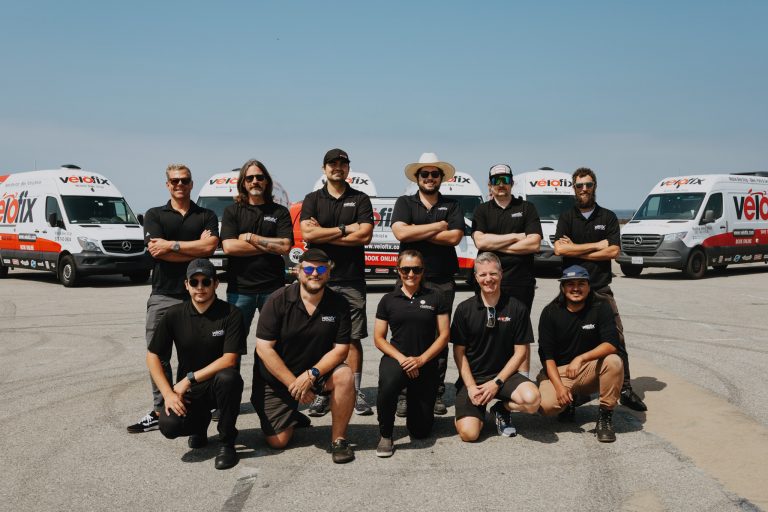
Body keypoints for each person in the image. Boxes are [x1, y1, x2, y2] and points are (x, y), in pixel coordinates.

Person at [127, 164, 219, 434]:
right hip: (164, 295)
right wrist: (194, 250)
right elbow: (157, 252)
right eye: (175, 181)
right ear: (167, 185)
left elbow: (210, 248)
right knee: (159, 354)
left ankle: (204, 404)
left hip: (199, 296)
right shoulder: (155, 215)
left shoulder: (206, 215)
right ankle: (161, 408)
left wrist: (172, 245)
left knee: (203, 353)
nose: (180, 185)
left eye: (185, 181)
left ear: (192, 184)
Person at [553, 167, 647, 412]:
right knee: (568, 340)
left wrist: (576, 247)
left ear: (595, 186)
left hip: (600, 288)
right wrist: (596, 246)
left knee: (616, 338)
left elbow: (613, 252)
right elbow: (560, 250)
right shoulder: (566, 217)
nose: (584, 189)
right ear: (573, 188)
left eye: (588, 185)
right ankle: (571, 391)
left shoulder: (607, 217)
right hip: (571, 289)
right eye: (579, 185)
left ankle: (625, 388)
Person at [252, 248, 356, 464]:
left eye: (321, 269)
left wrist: (311, 375)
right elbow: (264, 348)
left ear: (329, 273)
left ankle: (339, 440)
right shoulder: (278, 299)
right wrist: (294, 384)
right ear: (299, 271)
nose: (314, 273)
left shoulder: (339, 303)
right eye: (308, 268)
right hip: (278, 379)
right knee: (278, 441)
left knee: (345, 374)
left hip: (316, 372)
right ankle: (292, 414)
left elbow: (341, 350)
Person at [147, 258, 246, 469]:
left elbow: (230, 359)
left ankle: (227, 443)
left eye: (206, 282)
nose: (200, 287)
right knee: (169, 426)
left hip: (217, 385)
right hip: (189, 391)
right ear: (186, 285)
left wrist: (189, 379)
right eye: (194, 282)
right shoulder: (174, 315)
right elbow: (153, 356)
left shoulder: (231, 314)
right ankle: (198, 426)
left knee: (229, 378)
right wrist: (168, 394)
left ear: (216, 283)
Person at [300, 148, 375, 417]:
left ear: (348, 169)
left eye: (343, 164)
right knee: (321, 336)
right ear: (324, 169)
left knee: (353, 337)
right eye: (333, 164)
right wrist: (345, 229)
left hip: (352, 277)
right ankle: (324, 390)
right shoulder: (312, 199)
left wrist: (324, 234)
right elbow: (307, 232)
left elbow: (365, 235)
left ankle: (354, 392)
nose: (338, 168)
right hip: (319, 278)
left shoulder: (360, 198)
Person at [391, 152, 464, 416]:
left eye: (435, 174)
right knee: (404, 336)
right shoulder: (404, 202)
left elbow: (454, 237)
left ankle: (434, 394)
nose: (430, 178)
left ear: (441, 177)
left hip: (442, 280)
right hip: (410, 278)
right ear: (417, 177)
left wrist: (418, 229)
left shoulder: (452, 205)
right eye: (425, 174)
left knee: (439, 339)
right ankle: (403, 393)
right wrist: (437, 227)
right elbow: (400, 232)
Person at [451, 252, 540, 442]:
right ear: (475, 277)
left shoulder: (516, 308)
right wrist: (471, 387)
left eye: (493, 273)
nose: (488, 279)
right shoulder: (464, 309)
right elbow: (459, 352)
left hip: (505, 377)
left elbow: (520, 352)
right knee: (469, 434)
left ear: (501, 274)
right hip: (474, 378)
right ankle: (472, 413)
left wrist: (497, 382)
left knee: (533, 400)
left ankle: (501, 409)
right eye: (482, 275)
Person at [373, 250, 450, 457]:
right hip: (396, 358)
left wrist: (421, 360)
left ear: (423, 271)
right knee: (388, 386)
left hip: (425, 361)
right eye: (405, 269)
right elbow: (379, 338)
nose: (411, 274)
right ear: (398, 270)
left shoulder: (436, 297)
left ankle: (418, 412)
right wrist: (402, 359)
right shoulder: (388, 299)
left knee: (420, 432)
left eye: (416, 269)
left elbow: (444, 335)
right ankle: (386, 434)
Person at [537, 265, 624, 442]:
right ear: (562, 287)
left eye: (581, 283)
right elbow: (547, 356)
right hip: (560, 371)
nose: (575, 288)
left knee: (614, 361)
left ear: (588, 286)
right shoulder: (550, 312)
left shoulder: (601, 306)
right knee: (545, 407)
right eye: (570, 284)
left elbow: (612, 344)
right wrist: (560, 388)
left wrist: (581, 358)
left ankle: (605, 417)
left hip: (589, 369)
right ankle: (569, 402)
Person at [472, 163, 543, 377]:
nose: (501, 185)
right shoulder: (482, 210)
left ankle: (522, 381)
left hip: (521, 281)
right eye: (496, 181)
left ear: (512, 183)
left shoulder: (526, 208)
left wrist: (496, 243)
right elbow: (480, 242)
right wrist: (515, 237)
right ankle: (486, 377)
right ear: (489, 185)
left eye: (505, 180)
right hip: (488, 282)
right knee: (487, 330)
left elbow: (534, 244)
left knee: (520, 334)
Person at [221, 159, 293, 334]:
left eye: (259, 177)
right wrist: (270, 244)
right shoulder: (232, 211)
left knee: (273, 341)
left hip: (273, 289)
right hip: (240, 290)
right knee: (234, 343)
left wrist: (251, 238)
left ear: (266, 181)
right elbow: (230, 247)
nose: (255, 181)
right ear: (243, 183)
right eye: (250, 178)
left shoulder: (280, 212)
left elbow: (285, 246)